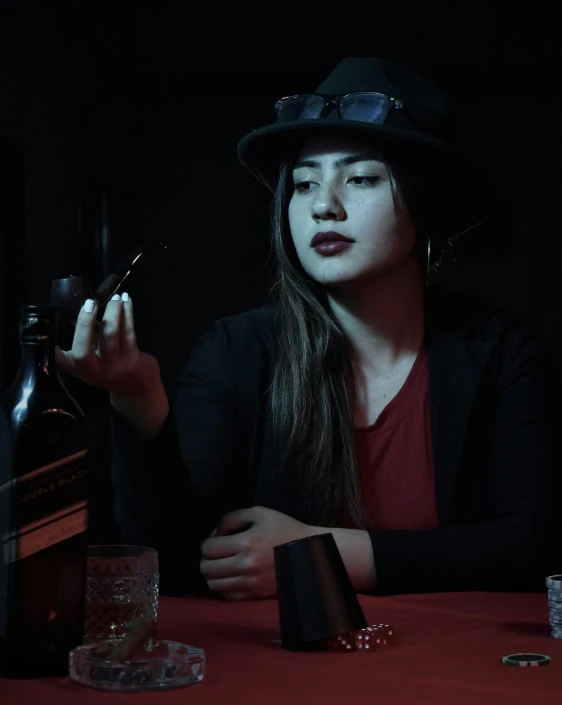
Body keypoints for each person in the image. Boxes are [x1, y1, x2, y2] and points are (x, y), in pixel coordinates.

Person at [56, 57, 559, 599]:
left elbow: (527, 547)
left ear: (427, 203)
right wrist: (137, 397)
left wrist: (318, 554)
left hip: (460, 673)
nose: (323, 206)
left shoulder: (499, 351)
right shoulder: (237, 352)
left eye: (361, 177)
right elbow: (176, 563)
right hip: (286, 674)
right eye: (302, 184)